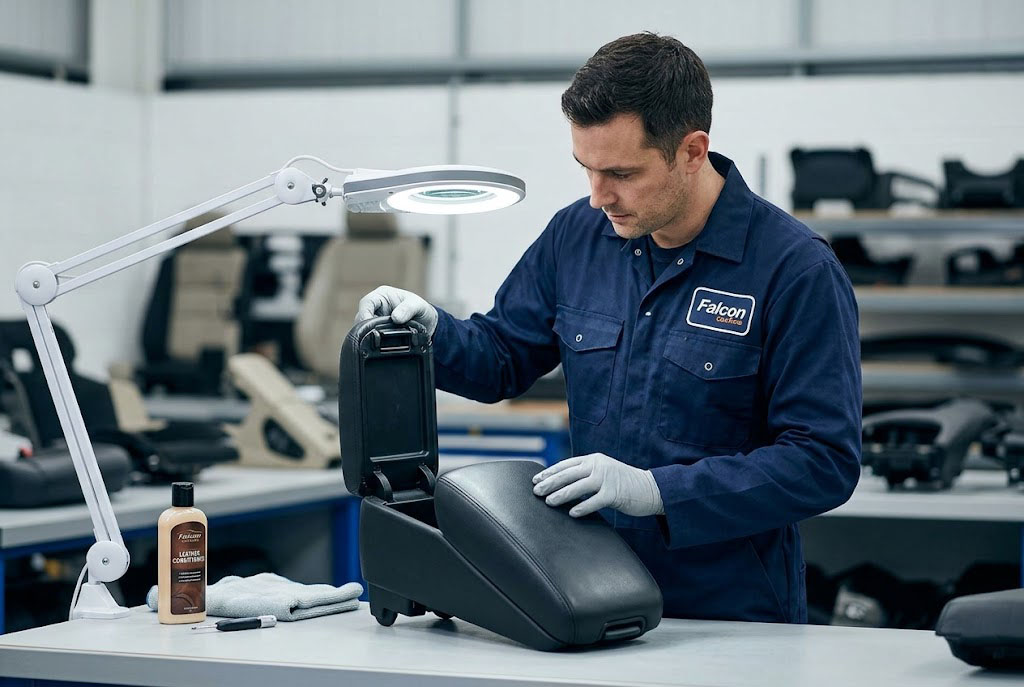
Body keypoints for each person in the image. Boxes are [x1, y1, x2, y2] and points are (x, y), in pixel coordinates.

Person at [355, 32, 861, 623]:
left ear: (692, 151)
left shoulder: (794, 269)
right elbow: (501, 357)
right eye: (587, 170)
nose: (599, 197)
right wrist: (432, 332)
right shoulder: (577, 236)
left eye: (621, 172)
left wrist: (659, 492)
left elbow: (822, 460)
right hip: (589, 593)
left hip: (729, 614)